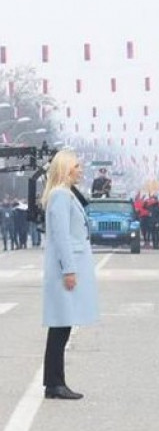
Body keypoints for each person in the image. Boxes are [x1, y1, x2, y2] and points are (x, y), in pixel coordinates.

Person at [40, 149, 99, 400]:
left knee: (62, 324)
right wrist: (69, 270)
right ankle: (55, 383)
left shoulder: (65, 195)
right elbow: (62, 236)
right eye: (77, 166)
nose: (81, 170)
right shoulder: (61, 196)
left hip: (68, 265)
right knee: (60, 325)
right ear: (65, 169)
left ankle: (55, 382)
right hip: (65, 268)